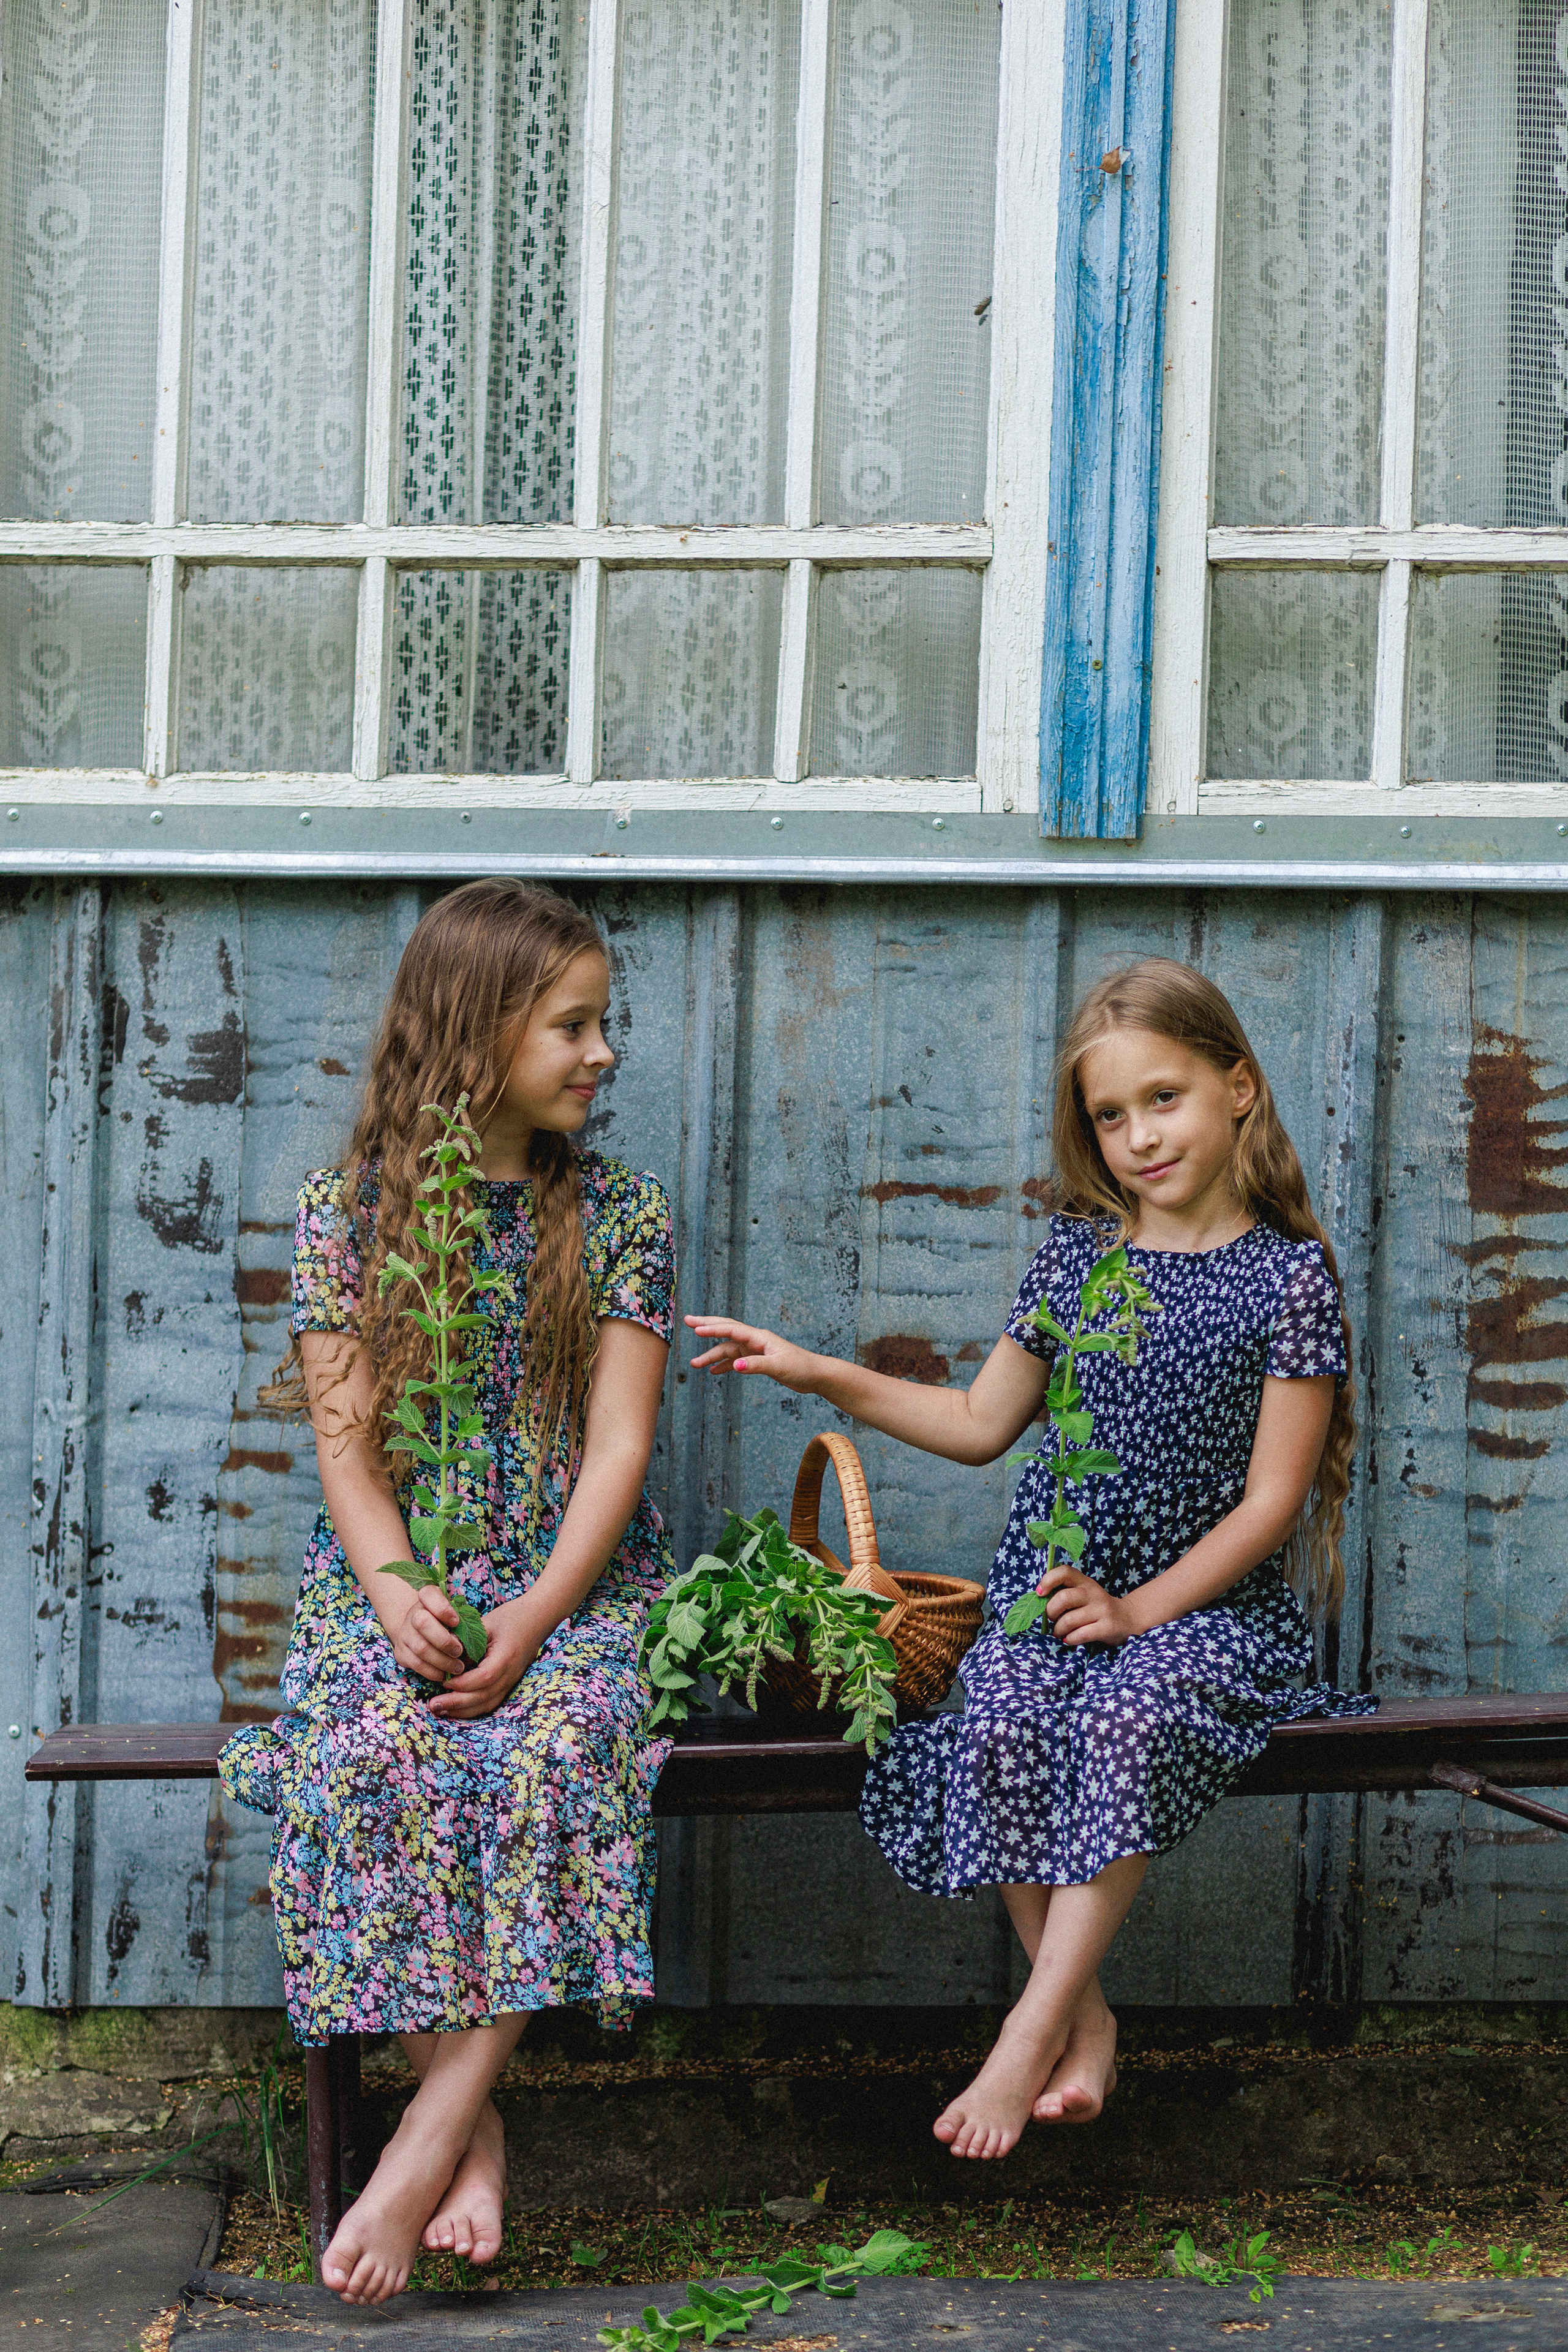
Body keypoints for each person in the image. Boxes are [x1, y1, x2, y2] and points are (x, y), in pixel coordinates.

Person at [687, 956, 1374, 2164]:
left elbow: (1271, 1503)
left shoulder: (1286, 1279)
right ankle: (1089, 2021)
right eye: (1109, 1117)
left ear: (1238, 1090)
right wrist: (815, 1369)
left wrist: (1142, 1608)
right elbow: (975, 1425)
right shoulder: (1075, 1260)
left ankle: (1025, 2033)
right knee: (997, 1716)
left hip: (1199, 1612)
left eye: (1161, 1099)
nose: (1137, 1137)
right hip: (1048, 1600)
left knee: (1118, 1722)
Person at [219, 880, 676, 2304]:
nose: (601, 1053)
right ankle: (476, 2130)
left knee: (558, 1752)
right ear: (477, 1034)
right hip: (390, 1582)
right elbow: (348, 1449)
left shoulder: (622, 1214)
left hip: (576, 1584)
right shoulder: (340, 1216)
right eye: (572, 1025)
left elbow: (618, 1448)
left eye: (603, 1024)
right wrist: (399, 1583)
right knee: (364, 1760)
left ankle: (419, 2140)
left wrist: (538, 1616)